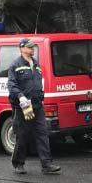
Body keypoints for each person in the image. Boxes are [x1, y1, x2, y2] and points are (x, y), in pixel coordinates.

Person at [7, 38, 61, 175]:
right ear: (22, 48)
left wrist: (41, 96)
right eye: (29, 47)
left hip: (36, 105)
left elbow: (38, 83)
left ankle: (46, 164)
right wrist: (21, 97)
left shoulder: (36, 64)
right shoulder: (15, 65)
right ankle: (18, 164)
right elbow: (11, 85)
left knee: (42, 134)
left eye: (33, 47)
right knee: (22, 135)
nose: (32, 49)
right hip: (22, 107)